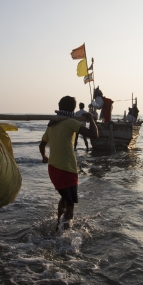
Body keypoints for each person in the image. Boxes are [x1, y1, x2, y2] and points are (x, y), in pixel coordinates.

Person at [39, 96, 98, 231]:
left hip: (53, 169)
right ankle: (64, 236)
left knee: (64, 198)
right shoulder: (70, 122)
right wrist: (91, 119)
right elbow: (94, 134)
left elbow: (41, 145)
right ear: (72, 109)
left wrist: (44, 157)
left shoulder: (51, 125)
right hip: (66, 169)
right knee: (70, 205)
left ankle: (58, 223)